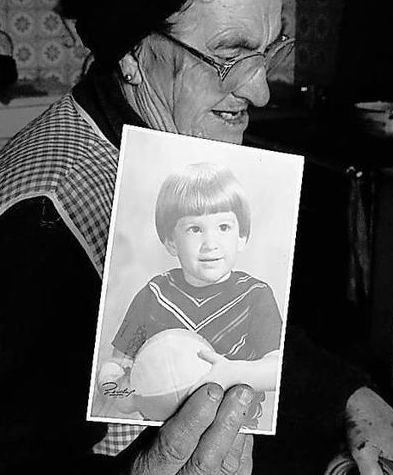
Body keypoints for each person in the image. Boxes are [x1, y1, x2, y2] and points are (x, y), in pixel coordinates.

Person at [0, 0, 393, 474]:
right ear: (133, 52)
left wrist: (348, 395)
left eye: (268, 53)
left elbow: (235, 313)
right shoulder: (39, 228)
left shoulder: (173, 153)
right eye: (229, 54)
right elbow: (7, 461)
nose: (261, 90)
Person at [97, 162, 282, 427]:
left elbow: (277, 369)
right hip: (157, 432)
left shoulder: (256, 295)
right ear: (171, 241)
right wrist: (123, 394)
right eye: (195, 229)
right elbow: (117, 365)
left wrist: (233, 373)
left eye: (224, 227)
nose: (210, 244)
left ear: (242, 237)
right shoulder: (154, 294)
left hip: (233, 430)